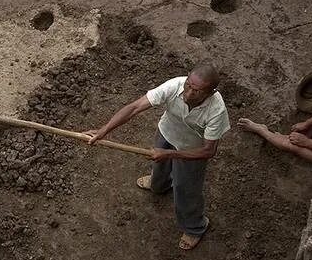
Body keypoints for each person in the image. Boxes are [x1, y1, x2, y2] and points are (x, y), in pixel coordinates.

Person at [84, 64, 229, 250]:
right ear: (186, 78)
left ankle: (195, 227)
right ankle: (159, 185)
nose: (190, 93)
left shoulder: (217, 110)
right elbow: (135, 107)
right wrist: (103, 130)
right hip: (166, 132)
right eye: (188, 85)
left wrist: (170, 154)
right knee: (159, 169)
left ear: (211, 92)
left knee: (186, 190)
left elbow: (209, 151)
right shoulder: (173, 86)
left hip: (193, 150)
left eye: (198, 91)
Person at [237, 70, 312, 163]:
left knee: (293, 145)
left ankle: (261, 130)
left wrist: (307, 142)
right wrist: (307, 124)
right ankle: (304, 133)